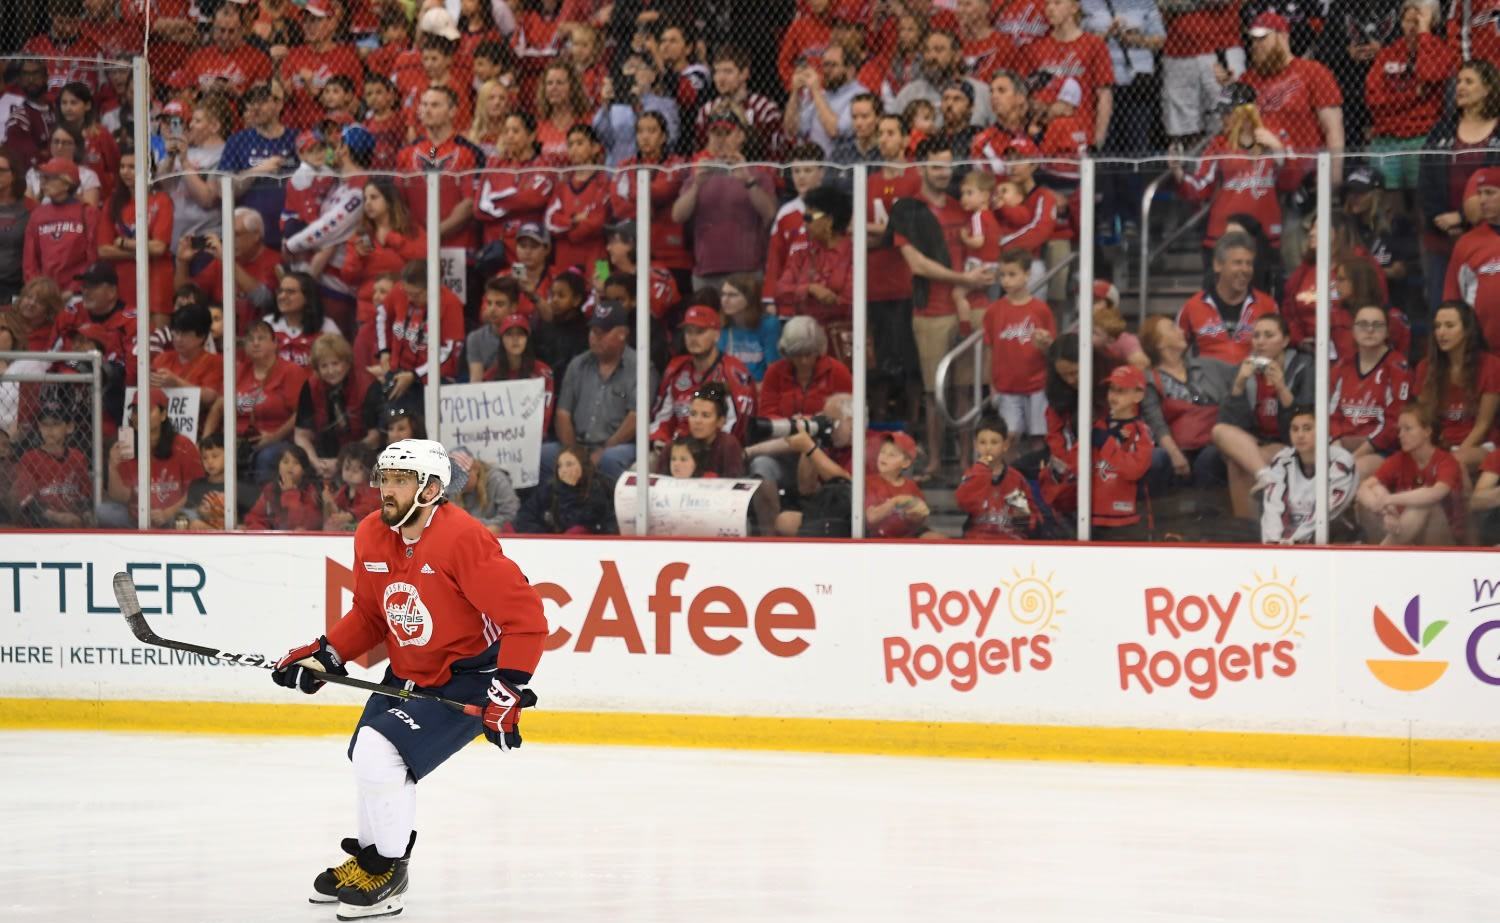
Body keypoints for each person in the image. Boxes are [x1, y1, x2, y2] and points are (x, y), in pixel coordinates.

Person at [270, 438, 547, 919]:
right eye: (386, 478)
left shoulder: (463, 539)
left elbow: (526, 618)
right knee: (366, 757)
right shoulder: (370, 534)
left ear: (431, 489)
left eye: (401, 480)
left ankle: (389, 872)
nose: (387, 489)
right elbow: (370, 615)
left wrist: (508, 689)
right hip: (407, 671)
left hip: (467, 677)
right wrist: (329, 652)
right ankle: (369, 861)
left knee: (379, 749)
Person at [1210, 313, 1314, 517]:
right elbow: (1230, 424)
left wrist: (1282, 388)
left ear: (1285, 340)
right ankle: (1266, 477)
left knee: (1239, 461)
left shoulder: (1304, 366)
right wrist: (1239, 386)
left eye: (1268, 335)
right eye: (1256, 336)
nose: (1260, 341)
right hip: (1256, 441)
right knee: (1219, 431)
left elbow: (1305, 421)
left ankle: (1248, 527)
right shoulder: (1245, 368)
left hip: (1289, 441)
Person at [1419, 60, 1500, 311]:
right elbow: (1426, 178)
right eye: (1459, 82)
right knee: (1442, 306)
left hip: (1491, 235)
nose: (1460, 87)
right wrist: (1441, 219)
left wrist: (1463, 217)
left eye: (1469, 81)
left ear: (1488, 88)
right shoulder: (1442, 129)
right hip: (1443, 235)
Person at [671, 109, 777, 291]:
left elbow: (770, 213)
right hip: (706, 271)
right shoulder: (698, 174)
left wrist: (748, 181)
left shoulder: (757, 174)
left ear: (740, 136)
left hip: (747, 271)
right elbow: (677, 216)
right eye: (716, 133)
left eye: (727, 133)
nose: (721, 139)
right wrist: (696, 185)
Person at [548, 299, 651, 484]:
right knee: (543, 455)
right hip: (577, 444)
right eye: (593, 331)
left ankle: (608, 505)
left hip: (619, 446)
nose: (595, 337)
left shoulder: (641, 367)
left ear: (622, 334)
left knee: (609, 459)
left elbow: (636, 417)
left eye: (602, 332)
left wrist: (603, 450)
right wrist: (573, 453)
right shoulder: (577, 364)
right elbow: (563, 413)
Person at [649, 305, 757, 449]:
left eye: (700, 332)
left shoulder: (732, 372)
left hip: (714, 452)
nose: (693, 338)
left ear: (717, 335)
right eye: (689, 332)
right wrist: (660, 440)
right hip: (676, 450)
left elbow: (738, 427)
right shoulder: (676, 369)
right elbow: (662, 418)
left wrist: (704, 451)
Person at [1357, 405, 1465, 545]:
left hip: (1445, 542)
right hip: (1406, 531)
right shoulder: (1399, 458)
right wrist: (1387, 512)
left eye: (1407, 429)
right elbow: (1363, 488)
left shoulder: (1446, 461)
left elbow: (1435, 493)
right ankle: (1385, 550)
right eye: (1399, 430)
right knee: (1375, 489)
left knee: (1422, 505)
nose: (1401, 435)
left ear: (1427, 431)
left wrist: (1390, 499)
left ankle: (1381, 552)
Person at [1415, 300, 1500, 472]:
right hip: (1440, 444)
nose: (1441, 332)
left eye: (1449, 326)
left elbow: (1482, 425)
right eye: (1437, 326)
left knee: (1451, 462)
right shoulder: (1426, 367)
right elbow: (1423, 418)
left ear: (1468, 330)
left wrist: (1455, 453)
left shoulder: (1491, 365)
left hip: (1479, 445)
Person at [103, 387, 206, 528]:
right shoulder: (126, 445)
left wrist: (167, 513)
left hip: (173, 514)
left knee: (191, 518)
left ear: (163, 415)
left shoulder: (183, 445)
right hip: (137, 517)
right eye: (136, 411)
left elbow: (195, 490)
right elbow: (121, 497)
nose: (140, 416)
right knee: (103, 512)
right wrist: (113, 467)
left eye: (148, 410)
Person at [1330, 305, 1412, 481]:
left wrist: (1352, 457)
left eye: (1377, 325)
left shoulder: (1397, 367)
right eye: (1363, 324)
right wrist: (1337, 448)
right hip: (1341, 445)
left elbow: (1394, 424)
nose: (1369, 330)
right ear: (1353, 330)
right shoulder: (1342, 366)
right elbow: (1331, 415)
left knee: (1352, 472)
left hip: (1380, 449)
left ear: (1387, 331)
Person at [984, 249, 1056, 447]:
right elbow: (990, 349)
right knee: (1009, 437)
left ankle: (1038, 468)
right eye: (1002, 275)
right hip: (1006, 385)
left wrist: (1046, 344)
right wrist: (991, 384)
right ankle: (1012, 468)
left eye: (1012, 274)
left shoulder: (1041, 310)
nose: (1006, 280)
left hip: (1038, 384)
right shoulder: (993, 311)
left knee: (1039, 436)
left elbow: (1053, 350)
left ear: (1027, 274)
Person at [1176, 232, 1279, 364]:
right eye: (1238, 263)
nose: (1245, 269)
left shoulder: (1267, 305)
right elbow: (1174, 351)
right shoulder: (1192, 307)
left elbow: (1279, 352)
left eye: (1249, 263)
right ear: (1218, 265)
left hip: (1253, 374)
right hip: (1207, 376)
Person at [1260, 406, 1357, 544]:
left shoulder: (1341, 462)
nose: (1300, 435)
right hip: (1287, 541)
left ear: (1323, 431)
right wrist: (1274, 543)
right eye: (1295, 429)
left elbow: (1327, 513)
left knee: (1336, 528)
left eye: (1307, 428)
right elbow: (1272, 509)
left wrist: (1295, 541)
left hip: (1331, 540)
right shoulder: (1281, 461)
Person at [295, 333, 383, 480]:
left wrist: (341, 462)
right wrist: (315, 462)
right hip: (323, 459)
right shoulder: (310, 386)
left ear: (347, 363)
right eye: (324, 366)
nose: (330, 371)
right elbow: (301, 434)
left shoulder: (368, 385)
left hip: (363, 458)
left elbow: (375, 437)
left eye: (335, 364)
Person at [238, 320, 311, 485]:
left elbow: (300, 413)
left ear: (275, 343)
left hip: (282, 439)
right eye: (250, 339)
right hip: (243, 440)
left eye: (261, 338)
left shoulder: (290, 371)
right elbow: (219, 405)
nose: (255, 343)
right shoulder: (238, 371)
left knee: (267, 456)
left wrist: (274, 436)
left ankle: (266, 500)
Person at [1089, 364, 1154, 536]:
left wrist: (1106, 444)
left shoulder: (1141, 432)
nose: (1113, 396)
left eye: (1121, 391)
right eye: (1112, 389)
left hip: (1129, 519)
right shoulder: (1098, 426)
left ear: (1138, 395)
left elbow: (1134, 470)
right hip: (1094, 516)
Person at [955, 413, 1042, 541]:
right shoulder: (972, 475)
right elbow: (962, 503)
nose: (988, 448)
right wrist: (981, 472)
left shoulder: (1016, 479)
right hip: (977, 541)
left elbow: (1032, 523)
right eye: (982, 442)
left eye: (994, 442)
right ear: (976, 445)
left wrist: (1023, 518)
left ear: (1005, 445)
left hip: (1010, 541)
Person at [23, 158, 96, 294]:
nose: (43, 183)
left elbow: (93, 257)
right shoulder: (38, 214)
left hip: (79, 293)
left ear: (67, 183)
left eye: (49, 178)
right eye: (42, 178)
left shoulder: (88, 213)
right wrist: (37, 288)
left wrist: (75, 288)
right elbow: (30, 260)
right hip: (45, 294)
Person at [12, 401, 90, 528]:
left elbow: (85, 494)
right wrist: (56, 516)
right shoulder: (29, 458)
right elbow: (26, 501)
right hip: (41, 523)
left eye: (56, 424)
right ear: (39, 427)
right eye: (45, 424)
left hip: (73, 519)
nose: (49, 429)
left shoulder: (78, 457)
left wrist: (86, 514)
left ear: (69, 427)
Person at [783, 40, 868, 157]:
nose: (827, 70)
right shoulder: (823, 95)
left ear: (850, 70)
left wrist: (816, 91)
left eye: (833, 65)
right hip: (815, 164)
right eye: (825, 65)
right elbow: (792, 129)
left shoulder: (860, 95)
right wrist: (795, 92)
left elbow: (835, 131)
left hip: (841, 164)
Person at [516, 444, 617, 534]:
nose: (563, 470)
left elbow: (603, 524)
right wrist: (545, 537)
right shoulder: (550, 488)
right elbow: (525, 515)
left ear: (583, 466)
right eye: (560, 466)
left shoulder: (601, 488)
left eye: (569, 464)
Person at [481, 314, 556, 434]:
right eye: (509, 334)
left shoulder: (544, 373)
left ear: (527, 339)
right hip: (500, 437)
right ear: (502, 340)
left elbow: (545, 414)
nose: (515, 339)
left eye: (520, 334)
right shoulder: (490, 376)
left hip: (535, 437)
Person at [652, 381, 745, 477]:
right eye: (693, 414)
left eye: (705, 415)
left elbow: (734, 482)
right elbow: (659, 481)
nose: (697, 421)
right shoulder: (674, 445)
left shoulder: (728, 446)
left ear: (720, 421)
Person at [865, 431, 943, 539]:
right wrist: (896, 502)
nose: (884, 457)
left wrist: (913, 514)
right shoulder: (869, 482)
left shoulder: (911, 487)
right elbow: (871, 518)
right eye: (882, 452)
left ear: (906, 463)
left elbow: (920, 517)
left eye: (892, 454)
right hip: (878, 540)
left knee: (938, 538)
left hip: (908, 539)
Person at [244, 443, 323, 530]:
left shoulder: (310, 491)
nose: (290, 467)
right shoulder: (270, 488)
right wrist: (263, 531)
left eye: (296, 463)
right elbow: (254, 517)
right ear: (278, 466)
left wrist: (290, 493)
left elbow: (302, 524)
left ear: (304, 470)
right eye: (285, 462)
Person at [445, 446, 520, 535]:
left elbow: (511, 515)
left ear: (475, 469)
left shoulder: (497, 480)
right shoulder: (452, 489)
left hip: (496, 537)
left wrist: (493, 526)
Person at [718, 274, 780, 382]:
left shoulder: (769, 324)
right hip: (727, 386)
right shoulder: (721, 324)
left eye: (732, 295)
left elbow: (774, 371)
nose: (725, 300)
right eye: (723, 294)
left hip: (760, 386)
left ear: (750, 298)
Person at [321, 442, 381, 530]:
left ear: (368, 471)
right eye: (347, 468)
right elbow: (335, 515)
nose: (350, 473)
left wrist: (350, 515)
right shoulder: (343, 491)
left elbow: (369, 507)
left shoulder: (373, 490)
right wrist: (329, 502)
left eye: (356, 470)